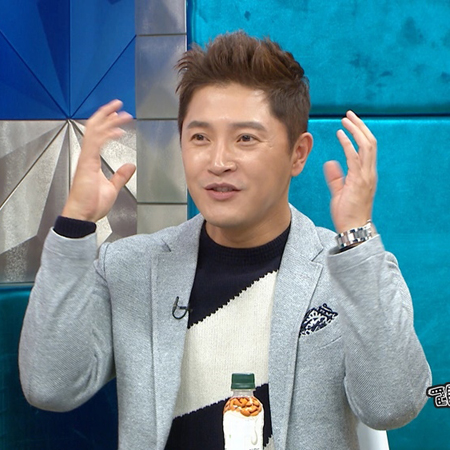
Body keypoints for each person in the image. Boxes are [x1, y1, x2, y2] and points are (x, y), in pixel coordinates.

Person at [19, 31, 431, 449]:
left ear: (298, 153)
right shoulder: (130, 267)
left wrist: (357, 238)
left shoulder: (348, 269)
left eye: (245, 138)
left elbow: (392, 405)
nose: (218, 162)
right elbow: (50, 386)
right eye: (200, 137)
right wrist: (75, 225)